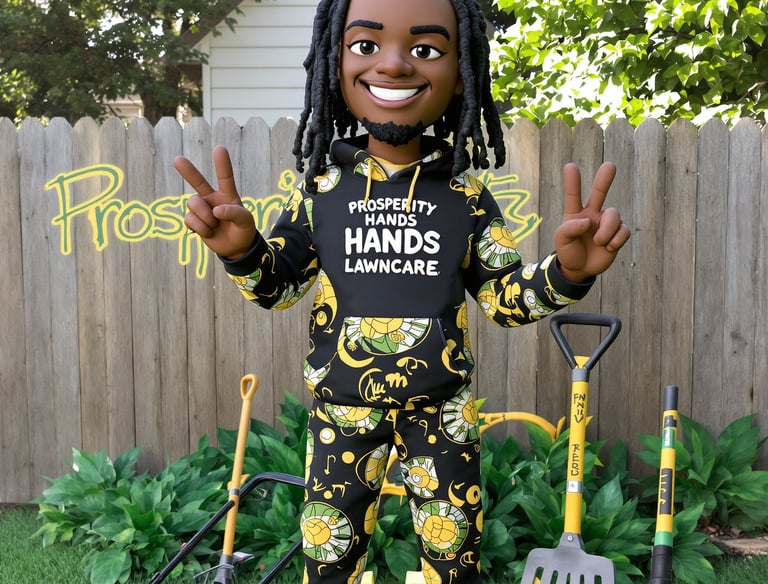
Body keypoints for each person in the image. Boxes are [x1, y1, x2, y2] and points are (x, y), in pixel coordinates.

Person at [174, 0, 630, 581]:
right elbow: (280, 289)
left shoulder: (466, 196)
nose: (392, 65)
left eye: (425, 49)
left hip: (443, 414)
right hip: (342, 411)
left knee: (453, 563)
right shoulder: (320, 191)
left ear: (461, 73)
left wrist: (567, 273)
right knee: (329, 561)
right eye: (366, 46)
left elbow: (503, 299)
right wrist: (241, 251)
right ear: (334, 66)